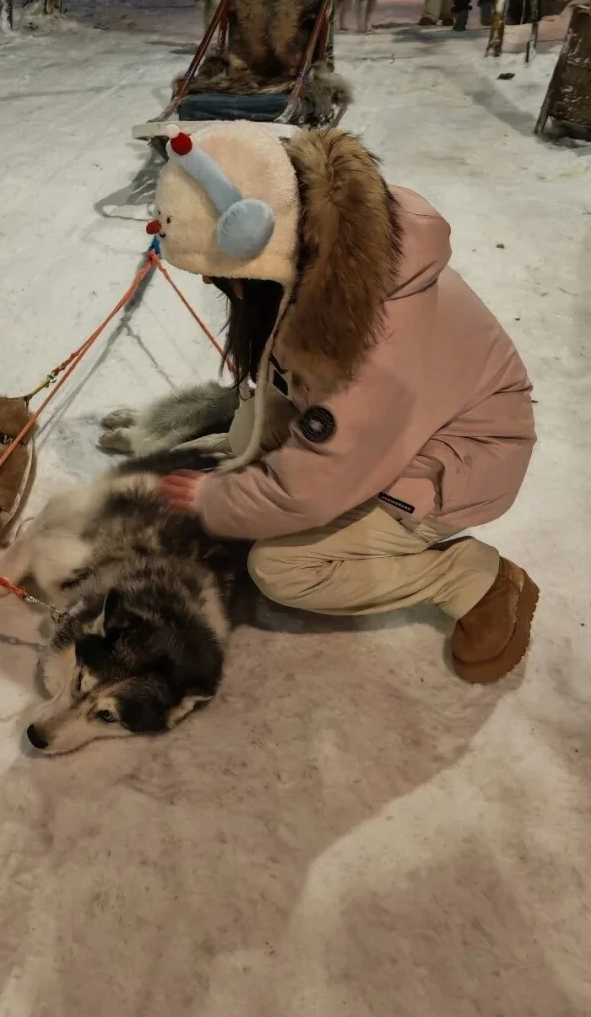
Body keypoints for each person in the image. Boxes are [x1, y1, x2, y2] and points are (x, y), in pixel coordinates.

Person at [153, 124, 539, 684]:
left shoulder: (370, 339)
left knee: (282, 567)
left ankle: (475, 581)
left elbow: (309, 489)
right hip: (406, 425)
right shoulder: (336, 249)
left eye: (221, 274)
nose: (216, 282)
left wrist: (217, 500)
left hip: (459, 463)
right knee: (246, 436)